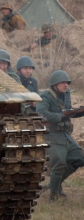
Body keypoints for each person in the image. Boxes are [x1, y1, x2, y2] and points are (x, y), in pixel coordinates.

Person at [36, 71, 84, 201]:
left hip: (65, 134)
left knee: (79, 158)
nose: (66, 85)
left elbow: (69, 112)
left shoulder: (66, 94)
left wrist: (80, 112)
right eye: (63, 83)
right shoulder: (45, 96)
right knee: (60, 163)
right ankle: (54, 195)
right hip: (52, 135)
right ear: (55, 84)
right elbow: (41, 114)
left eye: (67, 83)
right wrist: (61, 115)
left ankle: (55, 185)